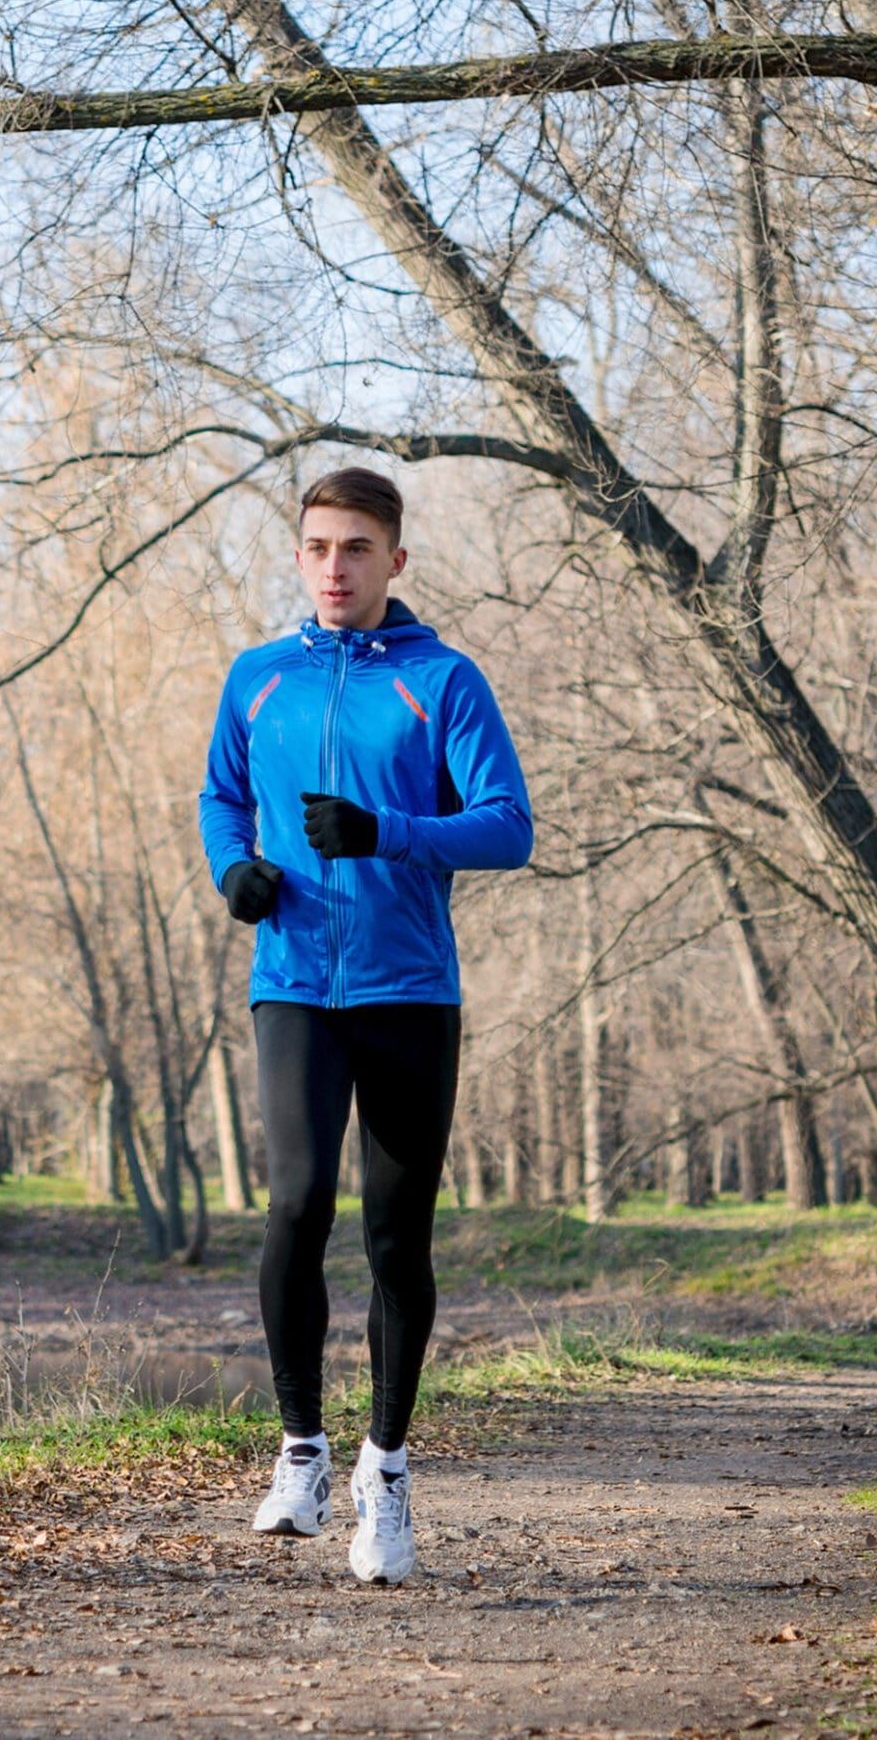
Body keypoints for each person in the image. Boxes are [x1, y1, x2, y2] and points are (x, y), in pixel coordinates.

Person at [197, 466, 533, 1585]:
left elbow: (505, 828)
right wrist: (234, 870)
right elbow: (220, 796)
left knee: (397, 1237)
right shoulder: (259, 677)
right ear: (298, 558)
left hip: (406, 990)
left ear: (396, 559)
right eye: (316, 548)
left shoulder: (443, 681)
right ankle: (300, 1449)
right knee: (296, 1203)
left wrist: (388, 829)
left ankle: (384, 1476)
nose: (333, 568)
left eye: (355, 548)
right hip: (292, 977)